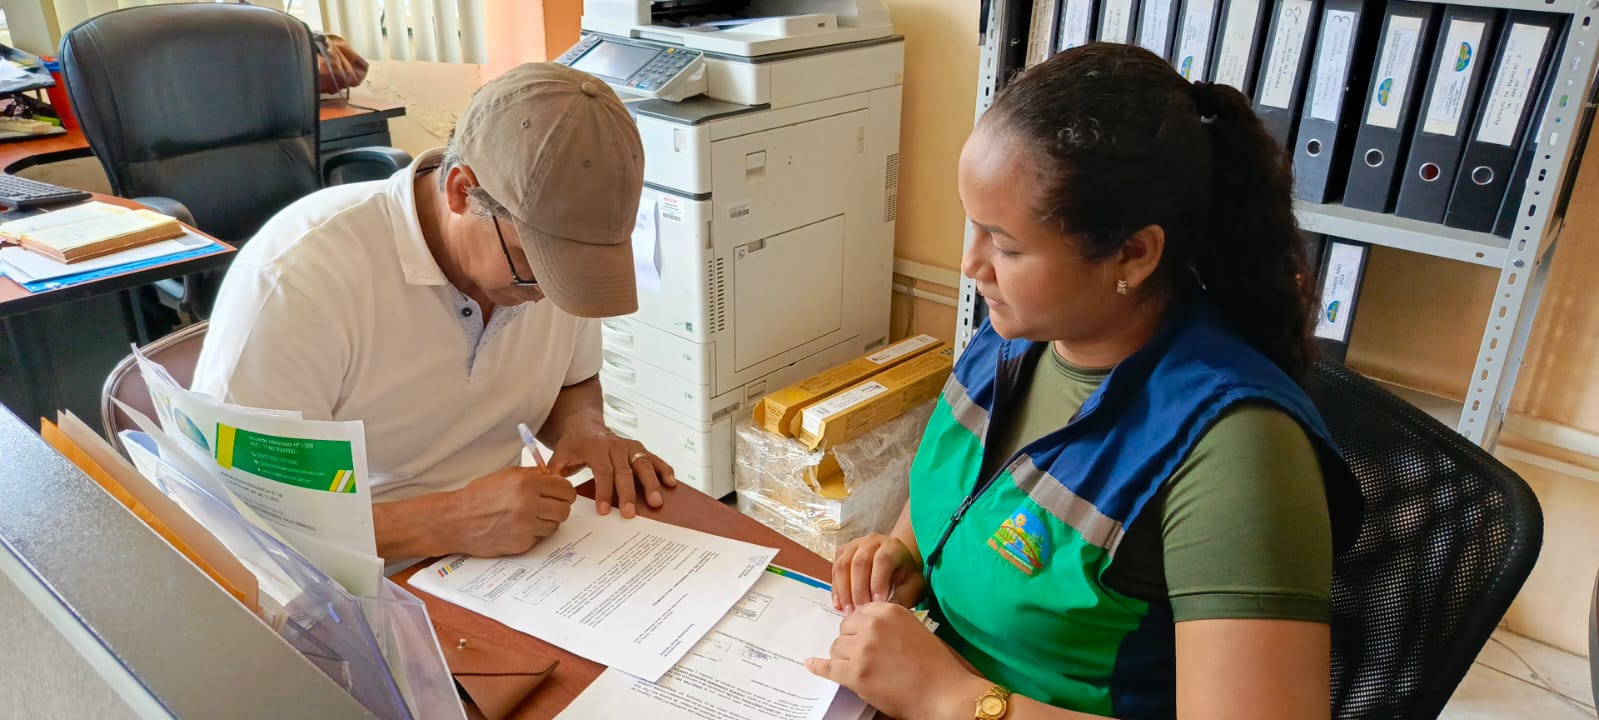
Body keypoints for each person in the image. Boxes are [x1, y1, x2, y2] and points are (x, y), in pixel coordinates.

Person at [804, 44, 1360, 720]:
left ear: (1132, 253)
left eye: (1006, 245)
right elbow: (966, 486)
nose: (971, 264)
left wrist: (950, 697)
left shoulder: (1237, 453)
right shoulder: (1020, 330)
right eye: (974, 226)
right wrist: (910, 553)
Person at [192, 63, 677, 562]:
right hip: (355, 571)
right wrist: (445, 523)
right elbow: (241, 513)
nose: (550, 296)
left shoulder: (541, 264)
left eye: (576, 275)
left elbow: (573, 382)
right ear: (461, 191)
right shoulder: (299, 277)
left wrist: (585, 428)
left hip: (507, 554)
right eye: (539, 266)